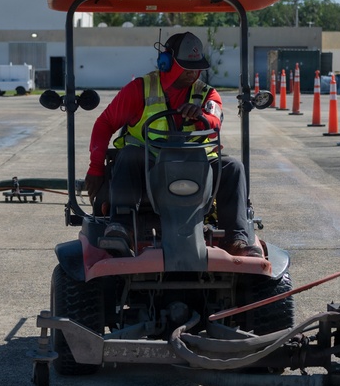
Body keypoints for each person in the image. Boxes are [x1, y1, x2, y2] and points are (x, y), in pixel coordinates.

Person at [83, 31, 263, 258]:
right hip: (149, 165)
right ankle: (121, 227)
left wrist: (201, 117)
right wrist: (96, 168)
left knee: (234, 168)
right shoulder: (140, 89)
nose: (193, 72)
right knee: (128, 155)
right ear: (166, 62)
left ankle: (236, 238)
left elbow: (215, 121)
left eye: (197, 67)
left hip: (196, 164)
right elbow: (105, 123)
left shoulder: (207, 94)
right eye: (186, 67)